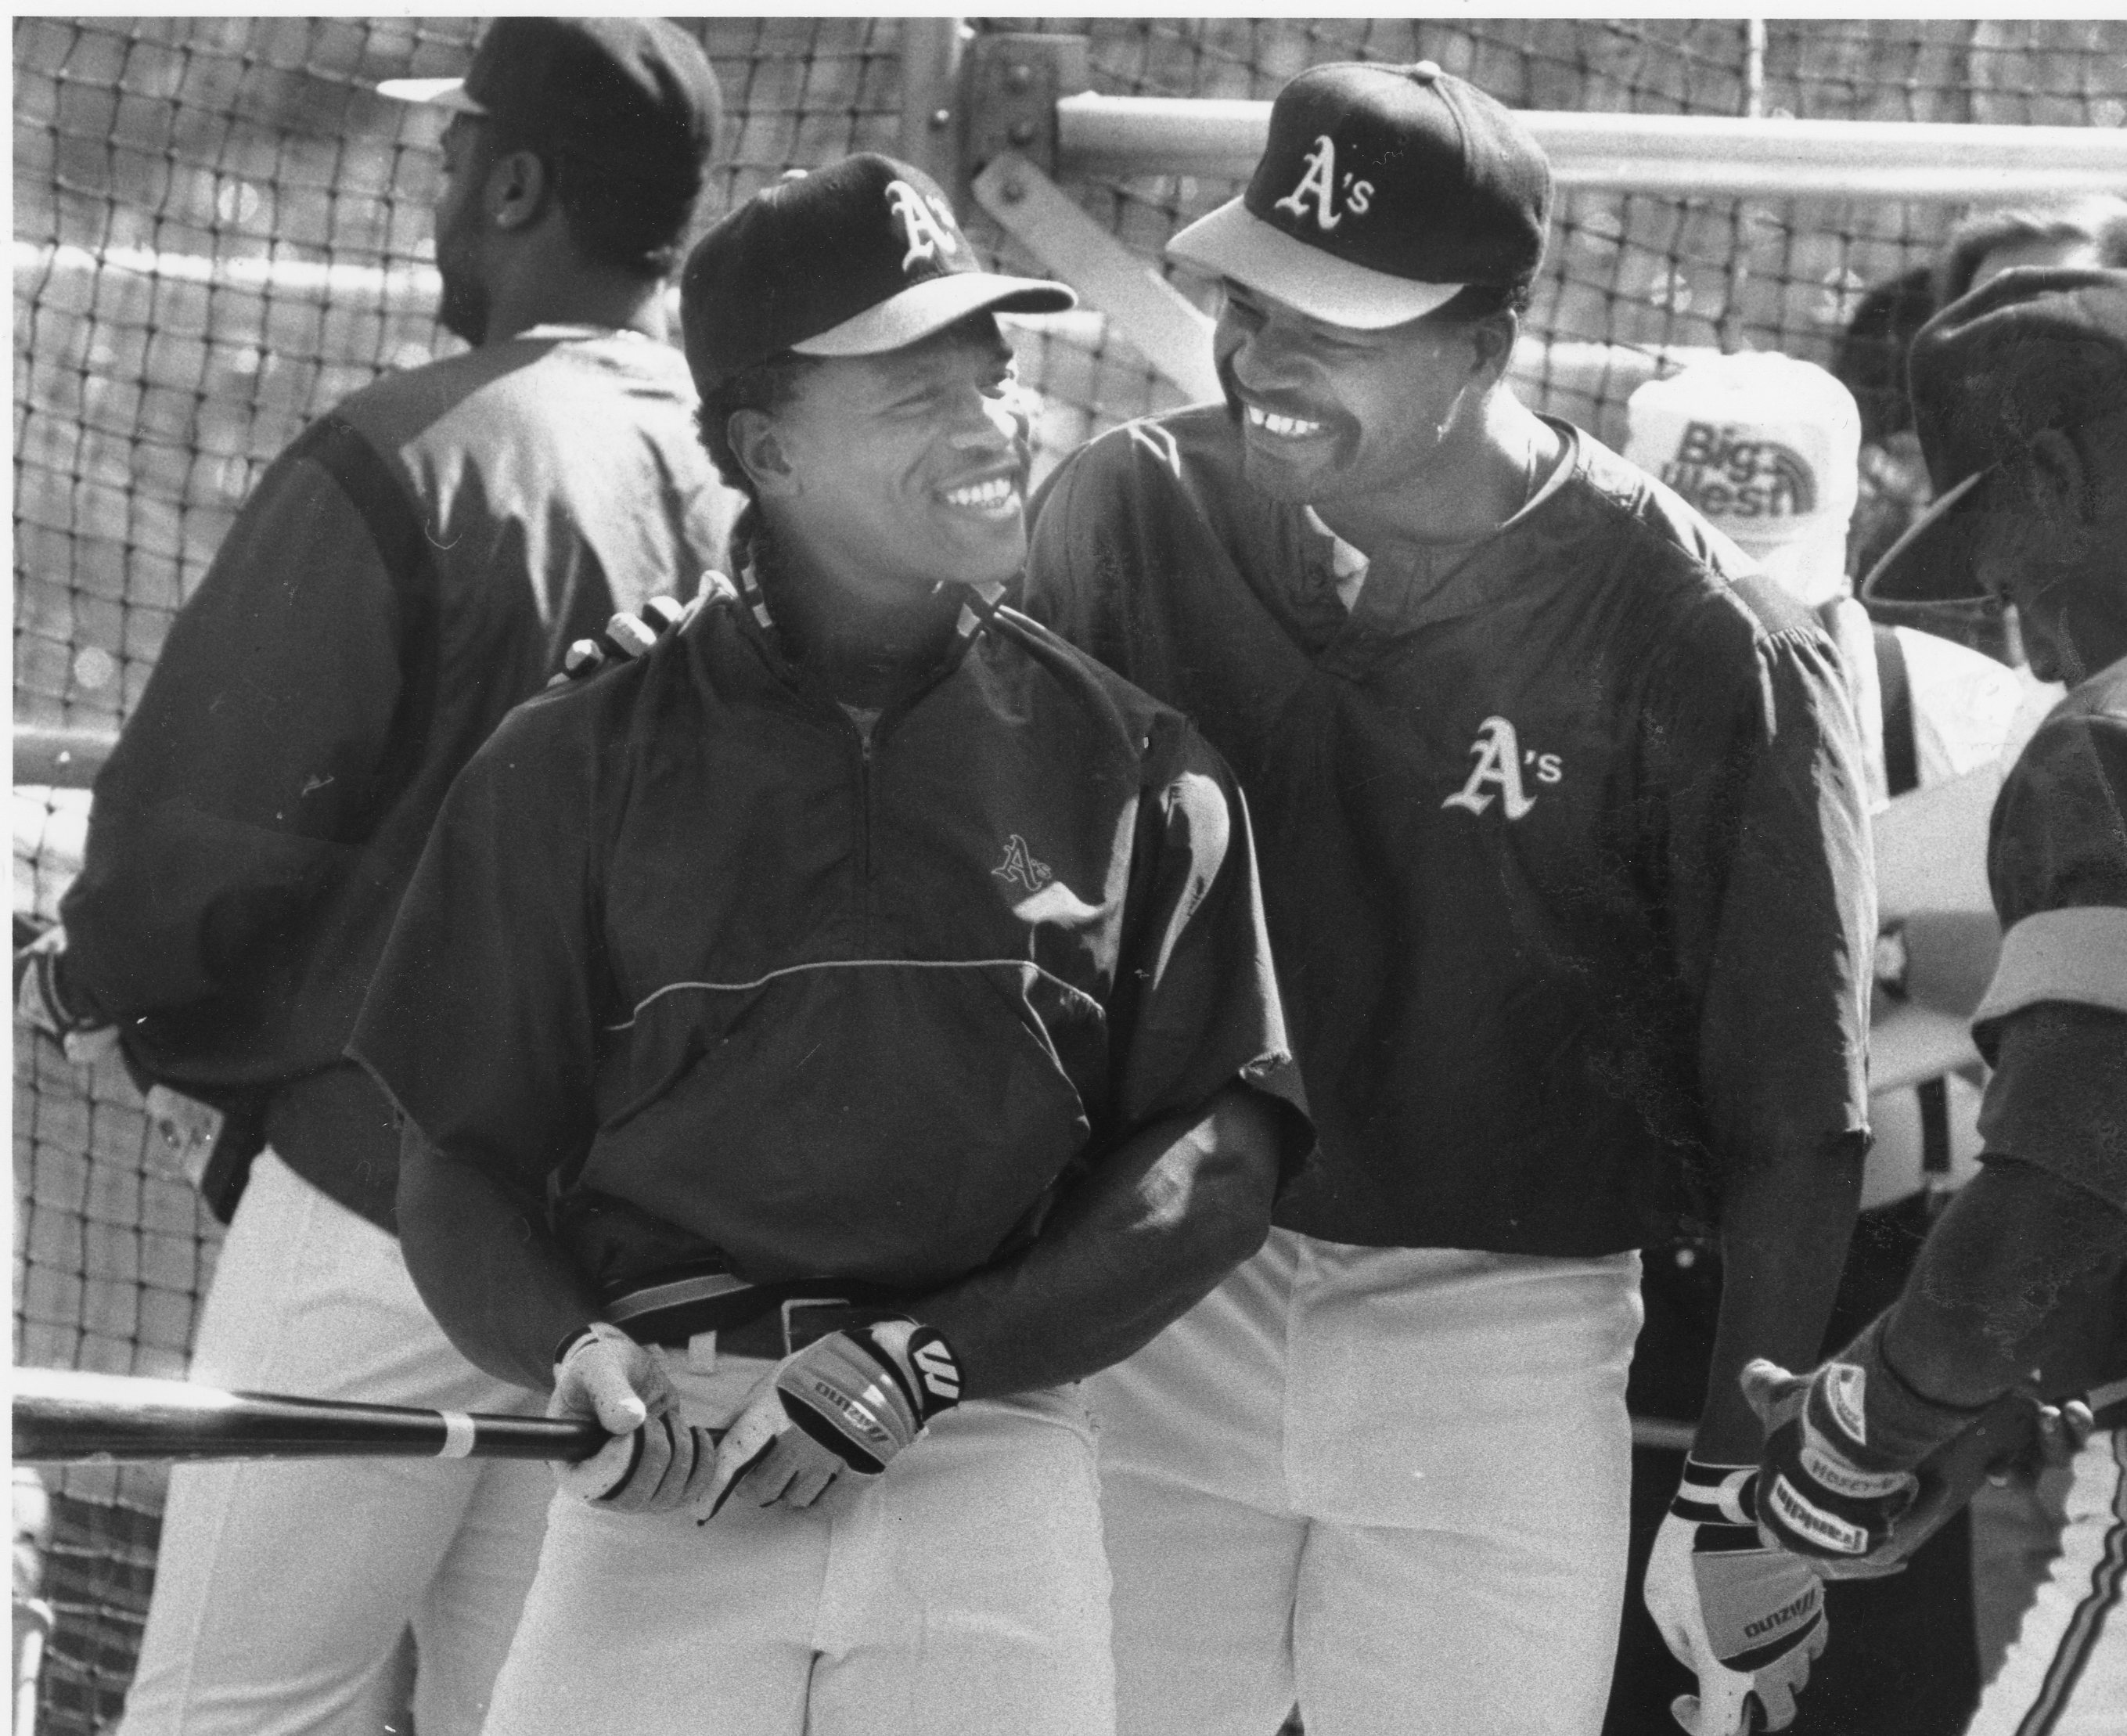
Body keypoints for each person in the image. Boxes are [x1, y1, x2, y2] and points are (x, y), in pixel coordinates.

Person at [348, 152, 1308, 1736]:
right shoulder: (569, 759)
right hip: (671, 1462)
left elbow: (1223, 1162)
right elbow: (456, 1162)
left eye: (991, 381)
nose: (992, 428)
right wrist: (567, 1347)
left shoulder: (1136, 761)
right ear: (763, 449)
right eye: (913, 396)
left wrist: (931, 1358)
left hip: (988, 1451)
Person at [1019, 61, 1875, 1736]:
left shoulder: (1707, 634)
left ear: (1483, 345)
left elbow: (1797, 1116)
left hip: (1500, 1333)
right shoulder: (1129, 507)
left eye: (1333, 326)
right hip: (1163, 1295)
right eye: (1251, 308)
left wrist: (1733, 1491)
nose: (1266, 360)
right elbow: (980, 852)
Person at [13, 20, 732, 1734]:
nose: (429, 190)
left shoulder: (419, 445)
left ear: (516, 182)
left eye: (448, 152)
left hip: (379, 1206)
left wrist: (82, 974)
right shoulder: (745, 465)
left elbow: (200, 845)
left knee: (233, 1709)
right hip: (632, 1243)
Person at [1610, 352, 2026, 1736]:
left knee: (1853, 1683)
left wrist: (1816, 1037)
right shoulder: (1554, 692)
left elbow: (2002, 1000)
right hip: (1619, 1274)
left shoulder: (1964, 714)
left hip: (1880, 1272)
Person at [1747, 265, 2127, 1736]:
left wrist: (1878, 1419)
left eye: (2000, 532)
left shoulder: (2101, 743)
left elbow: (2052, 1178)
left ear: (2058, 470)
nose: (2003, 597)